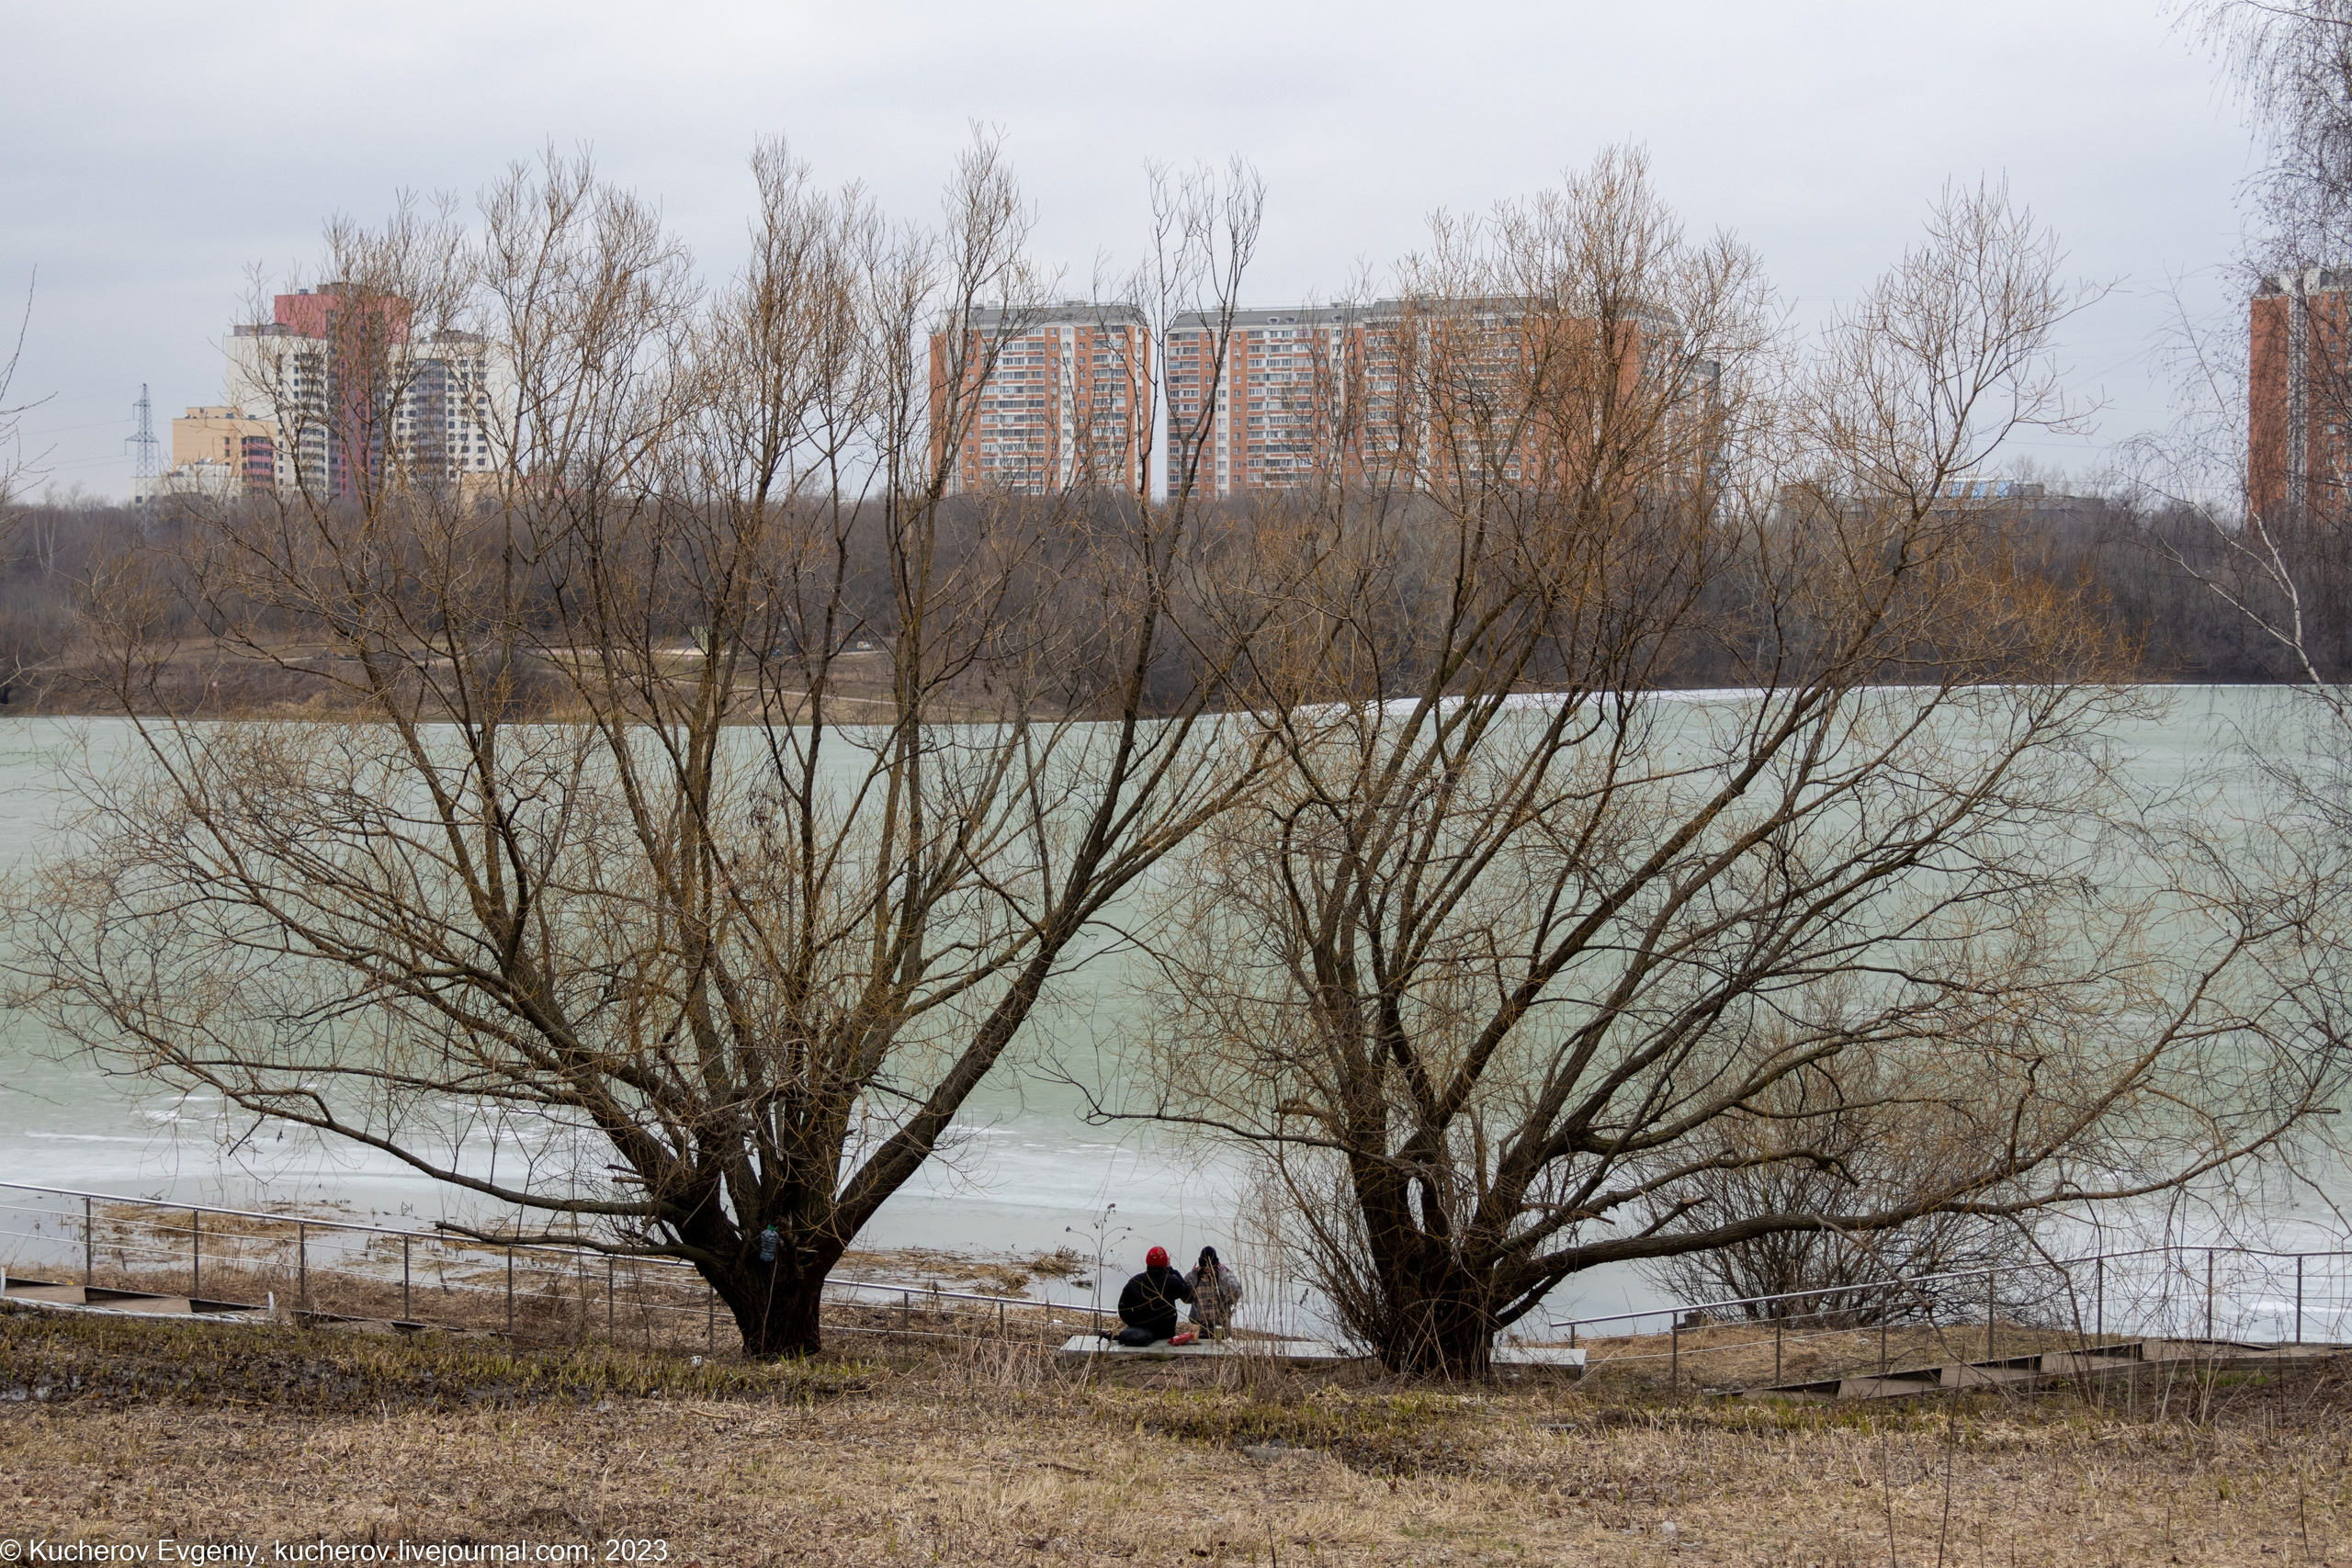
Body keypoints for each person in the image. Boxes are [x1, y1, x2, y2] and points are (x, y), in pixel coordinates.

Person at [1110, 1244, 1194, 1345]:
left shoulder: (1135, 1281)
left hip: (1139, 1326)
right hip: (1165, 1331)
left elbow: (1122, 1308)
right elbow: (1184, 1289)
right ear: (1164, 1263)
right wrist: (1170, 1269)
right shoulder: (1170, 1281)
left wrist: (1134, 1323)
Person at [1186, 1246, 1244, 1337]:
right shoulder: (1196, 1276)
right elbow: (1185, 1297)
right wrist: (1192, 1275)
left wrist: (1223, 1276)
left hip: (1221, 1328)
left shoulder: (1225, 1275)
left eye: (1211, 1266)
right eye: (1205, 1266)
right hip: (1199, 1328)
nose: (1208, 1269)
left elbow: (1233, 1297)